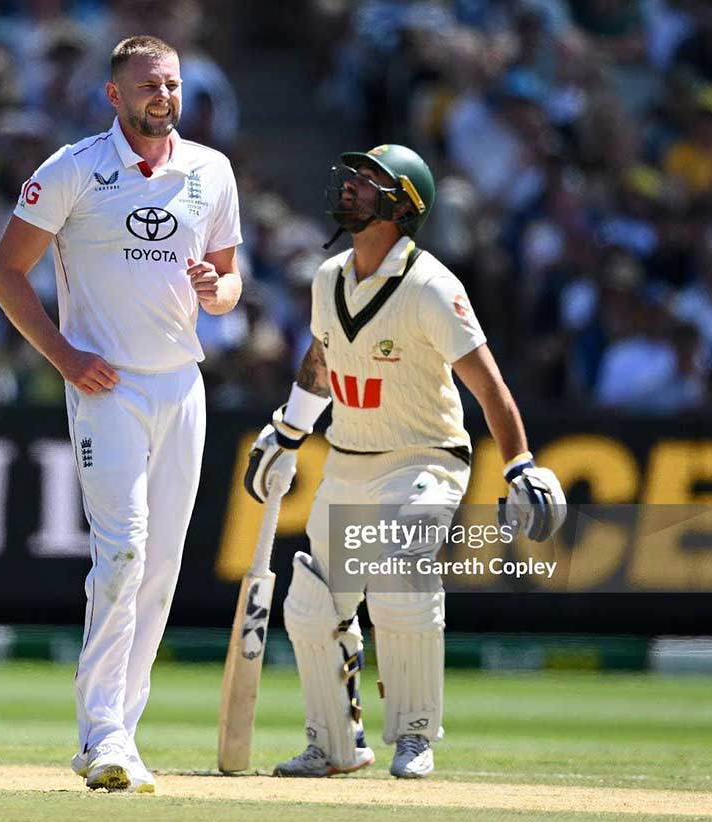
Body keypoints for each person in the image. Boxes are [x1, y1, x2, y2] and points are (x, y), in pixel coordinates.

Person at [244, 144, 564, 779]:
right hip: (349, 459)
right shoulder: (328, 276)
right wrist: (288, 431)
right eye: (354, 177)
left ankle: (415, 735)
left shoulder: (432, 287)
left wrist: (521, 463)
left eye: (370, 182)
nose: (352, 186)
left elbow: (489, 386)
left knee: (398, 574)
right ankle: (335, 745)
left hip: (426, 458)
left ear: (401, 204)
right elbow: (322, 357)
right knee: (311, 604)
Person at [0, 35, 242, 792]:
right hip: (107, 387)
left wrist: (212, 290)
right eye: (147, 86)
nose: (161, 96)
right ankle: (101, 733)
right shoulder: (72, 169)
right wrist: (64, 357)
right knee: (123, 554)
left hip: (180, 385)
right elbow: (7, 272)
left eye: (170, 84)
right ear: (114, 95)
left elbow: (231, 285)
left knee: (159, 568)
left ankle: (123, 734)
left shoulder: (210, 171)